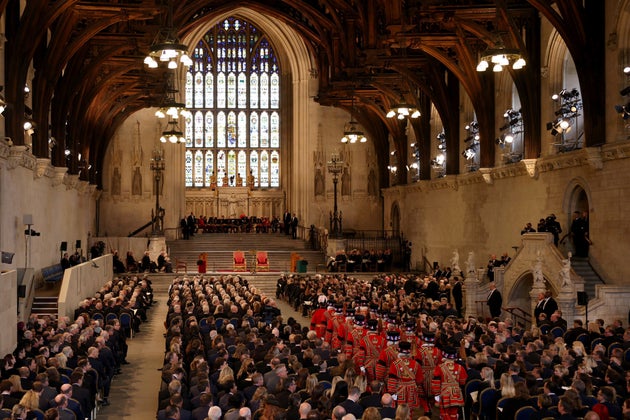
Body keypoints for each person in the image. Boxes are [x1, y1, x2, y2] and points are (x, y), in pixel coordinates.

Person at [431, 347, 467, 420]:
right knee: (454, 414)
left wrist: (437, 394)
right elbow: (463, 382)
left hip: (444, 393)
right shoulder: (460, 367)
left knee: (444, 413)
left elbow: (436, 382)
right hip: (456, 393)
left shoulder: (439, 367)